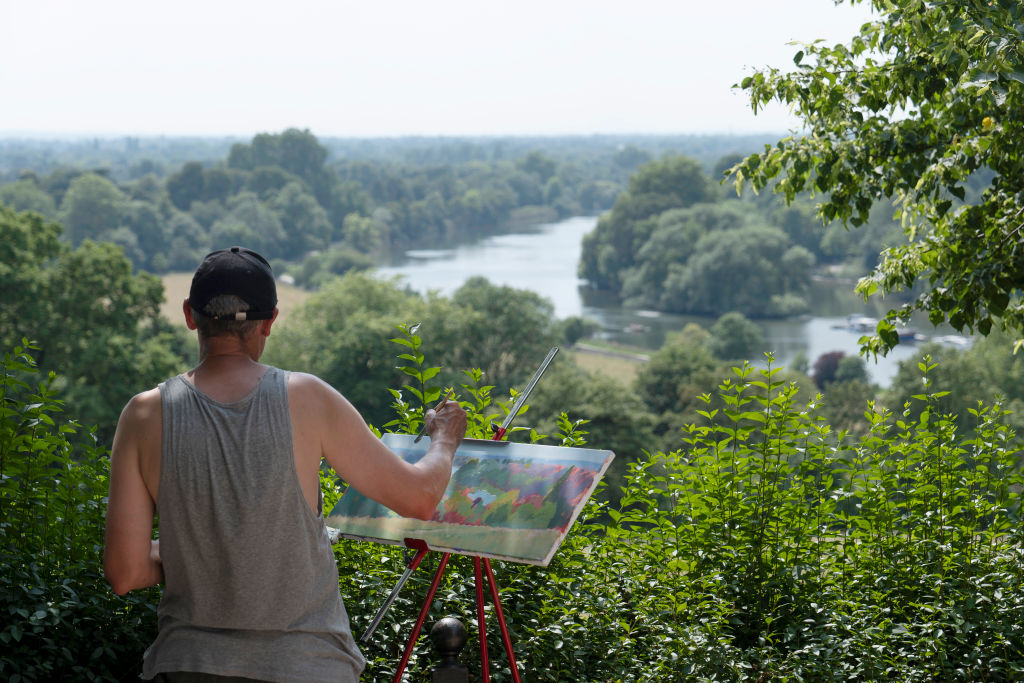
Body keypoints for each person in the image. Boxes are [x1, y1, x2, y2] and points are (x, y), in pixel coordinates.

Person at [103, 246, 467, 683]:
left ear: (190, 315)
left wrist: (197, 551)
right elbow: (419, 497)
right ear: (270, 321)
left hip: (186, 665)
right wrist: (444, 439)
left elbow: (125, 572)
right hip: (306, 666)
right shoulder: (307, 399)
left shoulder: (144, 415)